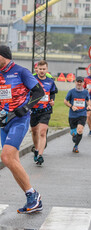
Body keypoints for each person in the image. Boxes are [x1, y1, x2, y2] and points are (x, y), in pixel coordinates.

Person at [0, 45, 45, 213]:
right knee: (12, 161)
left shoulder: (21, 72)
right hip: (3, 122)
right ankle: (33, 200)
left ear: (3, 57)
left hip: (19, 120)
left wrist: (26, 108)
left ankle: (33, 194)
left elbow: (39, 92)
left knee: (6, 157)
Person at [31, 60, 57, 165]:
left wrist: (52, 100)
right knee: (34, 131)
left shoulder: (50, 81)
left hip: (46, 110)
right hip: (34, 110)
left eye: (44, 69)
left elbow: (53, 93)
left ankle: (40, 155)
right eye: (40, 69)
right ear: (37, 69)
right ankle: (36, 149)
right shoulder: (32, 80)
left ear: (47, 69)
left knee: (42, 132)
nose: (42, 71)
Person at [64, 76, 91, 153]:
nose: (79, 83)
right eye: (78, 82)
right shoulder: (71, 91)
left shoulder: (85, 92)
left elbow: (88, 100)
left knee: (80, 130)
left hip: (82, 114)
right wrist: (71, 106)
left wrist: (89, 105)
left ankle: (76, 146)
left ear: (83, 83)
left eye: (81, 82)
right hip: (72, 115)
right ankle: (74, 135)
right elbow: (65, 101)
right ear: (75, 82)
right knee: (73, 133)